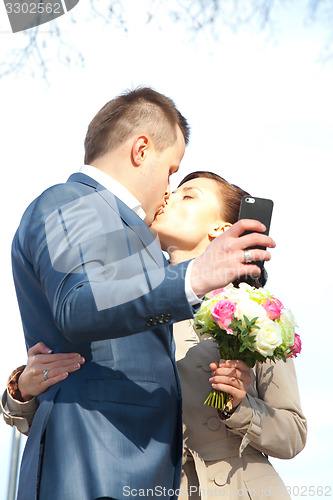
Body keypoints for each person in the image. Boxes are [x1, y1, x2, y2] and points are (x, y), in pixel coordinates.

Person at [5, 86, 276, 500]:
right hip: (93, 463)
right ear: (141, 150)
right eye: (171, 171)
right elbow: (79, 304)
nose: (169, 188)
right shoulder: (72, 201)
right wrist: (194, 277)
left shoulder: (137, 236)